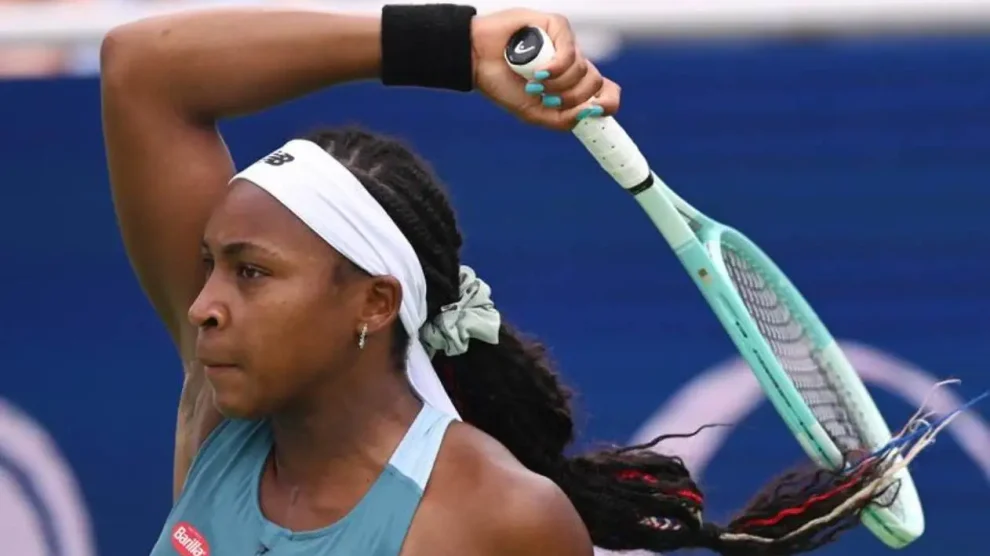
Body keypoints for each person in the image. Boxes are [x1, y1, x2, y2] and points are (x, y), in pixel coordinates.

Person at [101, 5, 891, 555]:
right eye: (211, 264)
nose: (203, 306)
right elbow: (141, 69)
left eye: (251, 272)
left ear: (374, 302)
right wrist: (458, 44)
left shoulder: (494, 520)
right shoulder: (220, 412)